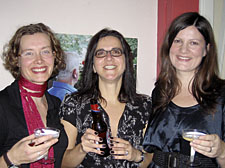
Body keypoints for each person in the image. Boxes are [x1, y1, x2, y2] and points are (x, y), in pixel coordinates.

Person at [59, 28, 152, 168]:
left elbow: (152, 159)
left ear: (126, 62)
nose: (109, 58)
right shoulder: (73, 103)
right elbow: (62, 163)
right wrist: (81, 148)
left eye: (116, 52)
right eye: (101, 53)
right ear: (93, 66)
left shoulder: (145, 105)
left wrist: (136, 155)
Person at [143, 12, 225, 168]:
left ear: (206, 49)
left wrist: (221, 151)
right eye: (178, 41)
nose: (183, 50)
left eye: (193, 43)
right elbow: (150, 153)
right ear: (169, 46)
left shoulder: (222, 94)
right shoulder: (159, 92)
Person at [0, 23, 68, 168]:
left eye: (45, 52)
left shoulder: (57, 104)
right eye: (29, 53)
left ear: (54, 56)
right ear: (17, 60)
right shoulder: (2, 104)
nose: (39, 60)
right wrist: (11, 158)